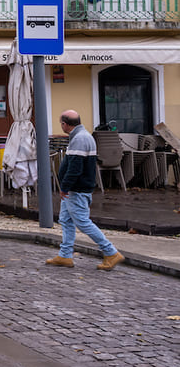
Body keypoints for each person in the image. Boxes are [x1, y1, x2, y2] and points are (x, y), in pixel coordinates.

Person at [45, 110, 125, 271]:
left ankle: (111, 252)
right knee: (66, 220)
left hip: (76, 189)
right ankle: (65, 255)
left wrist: (65, 187)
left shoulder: (80, 139)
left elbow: (75, 167)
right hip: (77, 188)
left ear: (65, 124)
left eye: (61, 123)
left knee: (82, 222)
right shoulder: (83, 136)